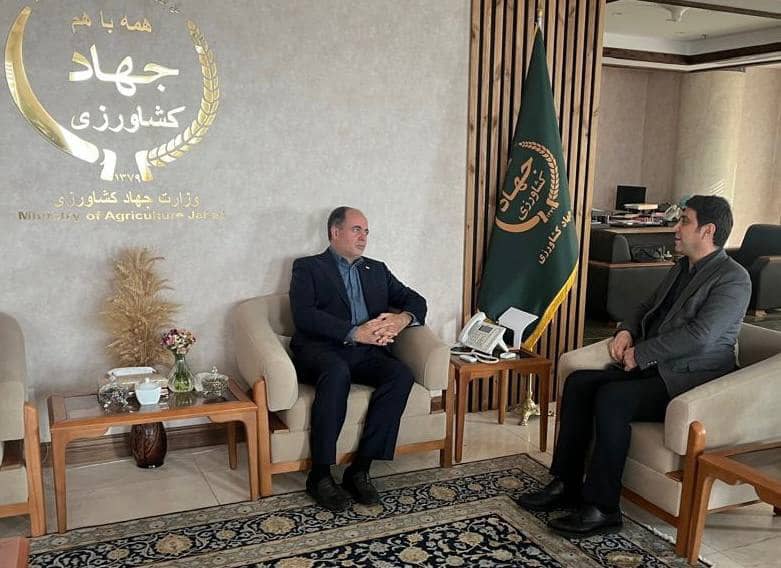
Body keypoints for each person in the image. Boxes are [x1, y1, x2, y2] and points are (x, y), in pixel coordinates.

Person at [518, 195, 751, 537]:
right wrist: (626, 331)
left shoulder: (733, 278)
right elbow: (645, 306)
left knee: (613, 398)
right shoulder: (681, 267)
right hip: (656, 368)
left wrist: (641, 354)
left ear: (708, 230)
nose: (676, 228)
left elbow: (701, 337)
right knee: (579, 383)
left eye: (684, 221)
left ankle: (603, 508)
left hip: (690, 378)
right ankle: (566, 483)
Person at [289, 206, 426, 512]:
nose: (363, 237)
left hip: (365, 353)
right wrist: (355, 332)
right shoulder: (308, 267)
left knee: (400, 374)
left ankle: (360, 469)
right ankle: (320, 475)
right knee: (337, 371)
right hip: (320, 350)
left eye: (366, 231)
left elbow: (415, 300)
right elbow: (304, 315)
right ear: (335, 232)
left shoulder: (376, 270)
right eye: (356, 230)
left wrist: (402, 319)